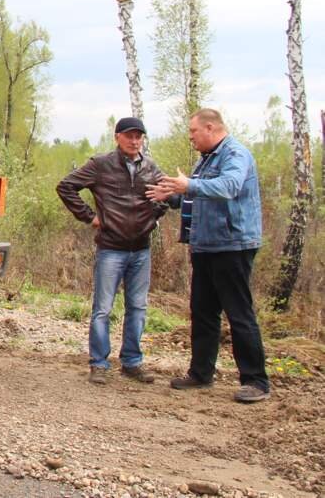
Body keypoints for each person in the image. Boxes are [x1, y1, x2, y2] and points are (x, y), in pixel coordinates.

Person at [147, 108, 270, 403]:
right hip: (204, 245)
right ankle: (201, 374)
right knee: (202, 312)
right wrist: (174, 196)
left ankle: (256, 380)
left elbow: (228, 187)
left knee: (239, 313)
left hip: (232, 245)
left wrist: (188, 184)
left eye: (193, 132)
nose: (190, 138)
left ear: (211, 128)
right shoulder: (207, 159)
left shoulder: (235, 155)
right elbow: (201, 195)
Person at [57, 117, 167, 385]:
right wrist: (90, 217)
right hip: (111, 249)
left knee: (138, 308)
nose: (135, 140)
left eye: (139, 136)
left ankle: (132, 362)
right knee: (103, 309)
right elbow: (66, 186)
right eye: (129, 135)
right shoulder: (101, 165)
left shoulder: (150, 167)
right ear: (117, 137)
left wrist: (154, 216)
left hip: (141, 249)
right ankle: (99, 363)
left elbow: (168, 196)